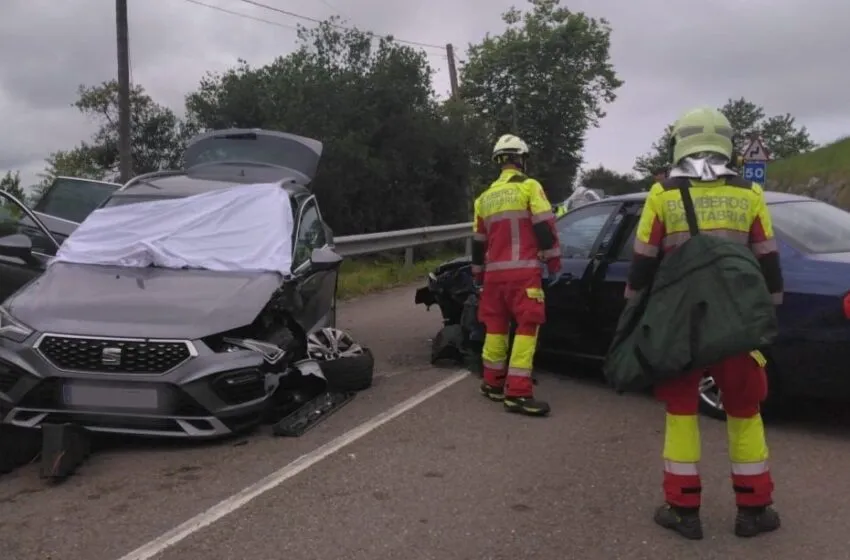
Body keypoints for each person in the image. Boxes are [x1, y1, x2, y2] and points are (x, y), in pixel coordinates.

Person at [625, 107, 784, 540]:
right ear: (726, 142)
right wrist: (766, 317)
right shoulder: (750, 193)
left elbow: (641, 264)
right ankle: (754, 510)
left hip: (681, 324)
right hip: (737, 324)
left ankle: (683, 509)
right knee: (745, 411)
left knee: (680, 411)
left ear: (681, 142)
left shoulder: (663, 195)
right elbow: (768, 262)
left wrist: (633, 314)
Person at [471, 134, 561, 416]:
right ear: (520, 159)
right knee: (526, 328)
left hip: (493, 278)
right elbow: (545, 226)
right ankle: (519, 394)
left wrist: (478, 274)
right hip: (523, 274)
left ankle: (493, 383)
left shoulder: (484, 198)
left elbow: (477, 242)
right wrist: (554, 261)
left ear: (499, 162)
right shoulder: (529, 187)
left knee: (495, 328)